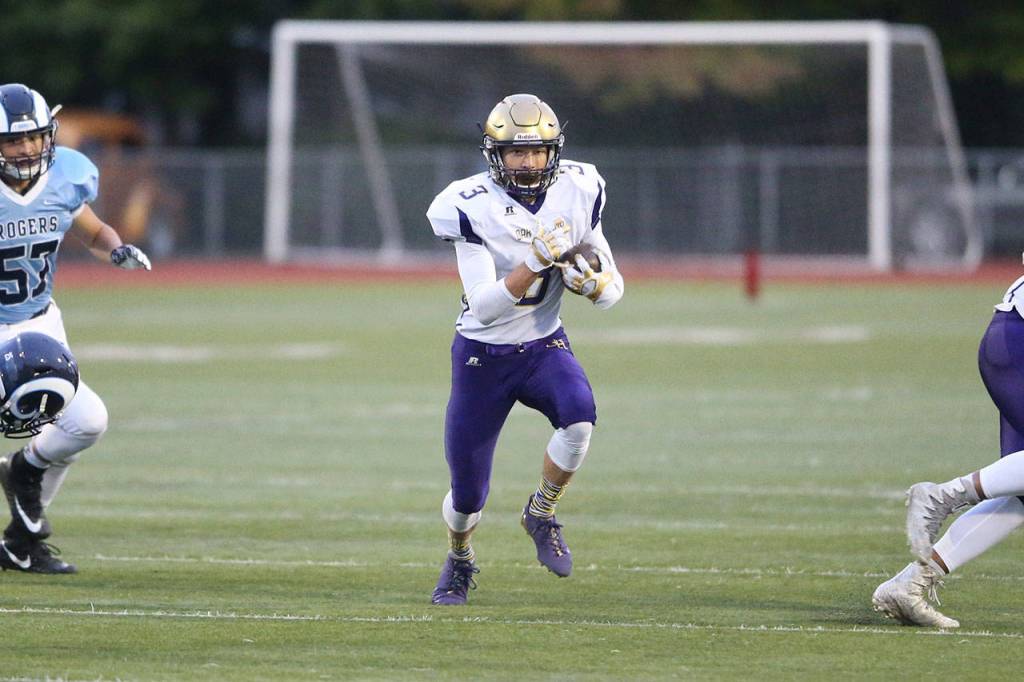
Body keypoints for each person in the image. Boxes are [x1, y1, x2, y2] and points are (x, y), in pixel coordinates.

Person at [424, 93, 624, 605]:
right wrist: (534, 261)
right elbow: (484, 307)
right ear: (495, 153)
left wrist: (595, 286)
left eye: (537, 151)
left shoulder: (581, 187)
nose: (529, 162)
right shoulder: (467, 204)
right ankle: (460, 558)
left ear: (554, 150)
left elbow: (611, 287)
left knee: (580, 417)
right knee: (468, 496)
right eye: (516, 152)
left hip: (542, 344)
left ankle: (541, 511)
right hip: (482, 355)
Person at [0, 83, 151, 574]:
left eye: (34, 138)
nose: (26, 149)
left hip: (41, 324)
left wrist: (117, 249)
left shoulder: (66, 177)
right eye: (13, 141)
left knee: (86, 422)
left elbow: (92, 229)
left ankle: (21, 531)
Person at [872, 269, 1024, 627]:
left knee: (1021, 491)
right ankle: (943, 495)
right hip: (1017, 345)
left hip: (1011, 340)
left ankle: (910, 583)